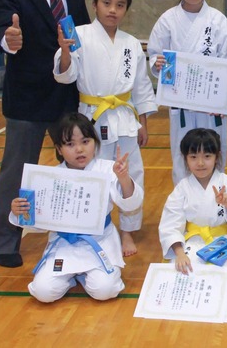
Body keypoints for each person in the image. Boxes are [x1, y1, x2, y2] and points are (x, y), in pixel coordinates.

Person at [0, 0, 91, 268]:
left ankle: (81, 231)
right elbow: (4, 29)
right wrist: (8, 40)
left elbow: (81, 40)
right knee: (17, 171)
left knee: (78, 166)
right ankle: (5, 241)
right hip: (27, 100)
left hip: (67, 97)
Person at [54, 0, 156, 256]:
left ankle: (126, 232)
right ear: (95, 4)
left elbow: (141, 85)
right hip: (91, 119)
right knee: (92, 174)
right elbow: (66, 75)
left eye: (120, 5)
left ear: (126, 9)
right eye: (107, 3)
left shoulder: (131, 43)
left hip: (124, 118)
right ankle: (95, 226)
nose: (113, 10)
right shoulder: (81, 35)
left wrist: (143, 122)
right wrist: (64, 50)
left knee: (131, 173)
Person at [9, 113, 143, 303]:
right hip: (64, 244)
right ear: (59, 149)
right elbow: (38, 225)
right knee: (43, 292)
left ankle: (83, 275)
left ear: (95, 143)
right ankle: (71, 277)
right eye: (70, 144)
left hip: (100, 241)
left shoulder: (107, 169)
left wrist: (123, 178)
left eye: (85, 141)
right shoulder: (50, 177)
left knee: (105, 290)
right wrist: (19, 211)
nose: (79, 149)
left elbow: (131, 204)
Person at [148, 0, 227, 184]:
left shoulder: (218, 20)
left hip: (211, 106)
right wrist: (157, 65)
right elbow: (155, 55)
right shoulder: (167, 20)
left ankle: (216, 209)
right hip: (181, 105)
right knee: (183, 156)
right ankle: (185, 210)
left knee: (213, 154)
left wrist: (223, 99)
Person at [159, 128, 227, 275]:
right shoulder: (182, 188)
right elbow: (170, 224)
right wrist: (180, 253)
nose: (200, 163)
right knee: (184, 272)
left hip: (222, 241)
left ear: (216, 157)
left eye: (207, 156)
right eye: (193, 157)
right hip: (193, 241)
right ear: (185, 158)